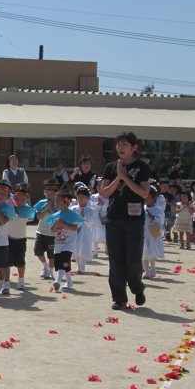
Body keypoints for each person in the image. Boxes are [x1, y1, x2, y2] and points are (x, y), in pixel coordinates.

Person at [99, 131, 152, 309]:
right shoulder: (111, 167)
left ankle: (138, 288)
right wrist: (118, 176)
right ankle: (119, 298)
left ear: (134, 147)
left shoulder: (142, 167)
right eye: (118, 144)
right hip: (114, 218)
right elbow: (104, 192)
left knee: (133, 260)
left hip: (134, 220)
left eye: (125, 145)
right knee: (116, 261)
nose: (120, 148)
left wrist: (125, 177)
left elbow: (144, 193)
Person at [45, 185, 84, 291]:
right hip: (58, 243)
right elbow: (52, 230)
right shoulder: (55, 216)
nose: (56, 203)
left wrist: (63, 224)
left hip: (69, 243)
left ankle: (57, 281)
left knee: (64, 261)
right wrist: (56, 225)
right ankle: (69, 282)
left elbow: (75, 228)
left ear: (66, 202)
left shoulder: (72, 215)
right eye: (56, 201)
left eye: (58, 201)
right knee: (62, 264)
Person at [5, 183, 36, 292]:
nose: (19, 201)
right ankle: (6, 283)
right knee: (6, 262)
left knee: (20, 262)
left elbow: (30, 216)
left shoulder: (28, 209)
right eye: (17, 198)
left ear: (27, 198)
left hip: (21, 239)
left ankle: (21, 281)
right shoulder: (8, 206)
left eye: (22, 199)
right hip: (8, 238)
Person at [33, 178, 60, 279]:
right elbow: (38, 216)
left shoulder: (58, 203)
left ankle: (51, 272)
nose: (49, 194)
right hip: (41, 231)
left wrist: (51, 208)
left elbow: (58, 217)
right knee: (38, 251)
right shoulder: (41, 202)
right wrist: (46, 208)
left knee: (51, 255)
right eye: (47, 192)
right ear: (44, 192)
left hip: (52, 234)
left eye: (52, 192)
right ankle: (45, 266)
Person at [71, 185, 96, 273]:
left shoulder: (91, 210)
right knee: (76, 247)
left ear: (87, 197)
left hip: (86, 231)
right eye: (79, 196)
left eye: (82, 196)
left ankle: (83, 266)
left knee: (85, 247)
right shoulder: (73, 209)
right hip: (76, 230)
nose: (80, 198)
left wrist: (83, 217)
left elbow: (92, 222)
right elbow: (71, 220)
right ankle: (78, 265)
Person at [142, 187, 165, 278]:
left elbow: (160, 221)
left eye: (148, 196)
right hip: (143, 232)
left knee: (151, 251)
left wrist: (150, 215)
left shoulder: (158, 209)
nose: (146, 199)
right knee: (144, 253)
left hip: (152, 233)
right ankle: (146, 271)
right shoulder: (142, 207)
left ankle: (153, 269)